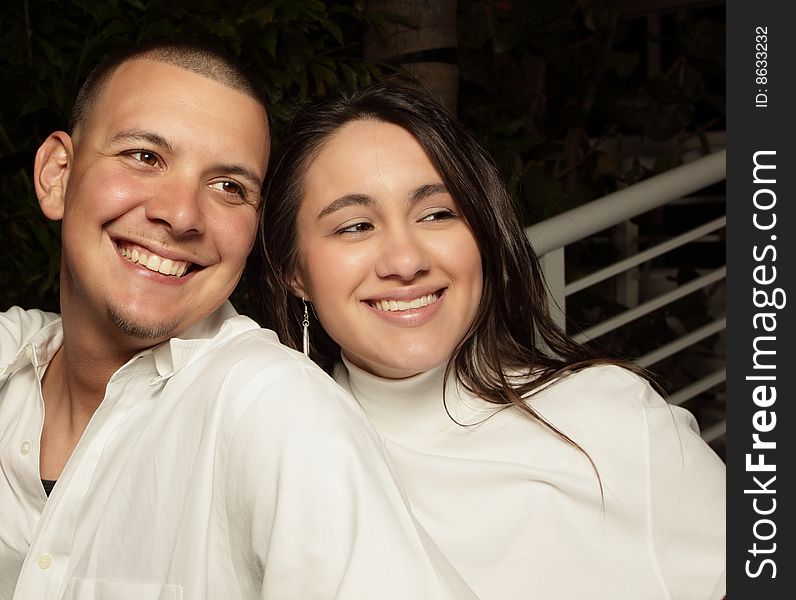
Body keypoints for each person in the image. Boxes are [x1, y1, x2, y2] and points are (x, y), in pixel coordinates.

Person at [0, 44, 478, 599]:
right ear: (58, 175)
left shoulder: (277, 411)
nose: (180, 215)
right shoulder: (11, 361)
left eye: (229, 187)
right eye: (145, 157)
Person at [253, 80, 727, 600]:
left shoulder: (612, 419)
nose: (406, 261)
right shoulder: (268, 459)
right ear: (294, 270)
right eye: (355, 226)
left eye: (436, 214)